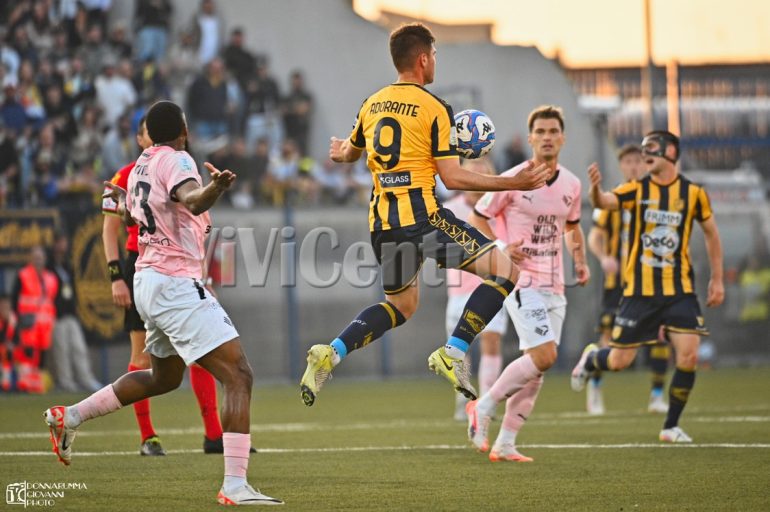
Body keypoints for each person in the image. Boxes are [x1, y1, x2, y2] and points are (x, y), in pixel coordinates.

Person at [299, 23, 549, 407]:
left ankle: (330, 353)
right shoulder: (435, 108)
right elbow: (451, 176)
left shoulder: (372, 102)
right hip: (423, 220)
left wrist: (339, 150)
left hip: (383, 224)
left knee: (401, 305)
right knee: (505, 272)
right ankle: (453, 351)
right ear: (422, 59)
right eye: (434, 55)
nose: (435, 63)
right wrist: (513, 182)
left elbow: (349, 153)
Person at [46, 100, 281, 506]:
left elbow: (136, 212)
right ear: (182, 130)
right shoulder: (177, 159)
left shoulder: (138, 166)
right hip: (173, 282)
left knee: (164, 378)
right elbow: (191, 200)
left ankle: (71, 416)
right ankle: (235, 485)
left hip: (148, 281)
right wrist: (216, 188)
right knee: (239, 374)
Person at [571, 130, 724, 443]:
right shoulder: (637, 189)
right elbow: (605, 201)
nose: (645, 153)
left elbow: (711, 233)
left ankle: (670, 425)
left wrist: (717, 279)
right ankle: (591, 359)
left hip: (679, 291)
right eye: (643, 149)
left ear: (670, 151)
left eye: (651, 148)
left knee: (688, 356)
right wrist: (596, 190)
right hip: (639, 293)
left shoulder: (694, 193)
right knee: (618, 361)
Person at [464, 105, 589, 462]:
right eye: (541, 132)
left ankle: (505, 442)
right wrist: (502, 248)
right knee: (544, 356)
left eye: (554, 131)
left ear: (562, 138)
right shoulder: (514, 178)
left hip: (556, 284)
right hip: (522, 280)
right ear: (531, 138)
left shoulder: (572, 184)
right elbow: (478, 215)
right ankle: (483, 406)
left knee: (536, 368)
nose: (548, 137)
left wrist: (579, 260)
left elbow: (572, 225)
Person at [102, 115, 229, 456]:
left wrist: (204, 275)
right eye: (143, 130)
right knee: (144, 357)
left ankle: (214, 435)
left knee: (191, 359)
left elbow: (194, 226)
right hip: (144, 265)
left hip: (167, 272)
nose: (148, 136)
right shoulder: (126, 174)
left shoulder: (169, 168)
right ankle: (148, 437)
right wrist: (116, 276)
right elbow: (110, 228)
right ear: (140, 137)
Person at [586, 144, 670, 415]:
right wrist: (603, 258)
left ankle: (657, 396)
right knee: (609, 339)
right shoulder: (611, 199)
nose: (634, 166)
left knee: (659, 335)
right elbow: (594, 238)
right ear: (622, 166)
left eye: (638, 161)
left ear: (646, 165)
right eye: (629, 162)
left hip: (649, 281)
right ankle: (595, 387)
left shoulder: (657, 201)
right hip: (617, 284)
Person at [443, 158, 507, 421]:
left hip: (492, 286)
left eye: (483, 178)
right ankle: (463, 402)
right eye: (472, 177)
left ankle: (488, 402)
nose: (477, 185)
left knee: (491, 341)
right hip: (459, 291)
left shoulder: (500, 210)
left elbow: (506, 240)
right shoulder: (448, 209)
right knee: (459, 352)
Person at [48, 233, 102, 393]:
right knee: (61, 350)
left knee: (79, 347)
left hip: (70, 314)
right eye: (61, 242)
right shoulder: (49, 267)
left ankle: (86, 379)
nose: (64, 246)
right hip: (56, 315)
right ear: (55, 244)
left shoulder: (67, 265)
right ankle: (66, 381)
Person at [12, 246, 58, 393]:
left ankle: (38, 386)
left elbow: (52, 300)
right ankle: (26, 386)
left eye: (41, 257)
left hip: (45, 325)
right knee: (28, 355)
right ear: (30, 259)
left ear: (45, 259)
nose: (38, 260)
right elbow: (15, 299)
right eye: (35, 257)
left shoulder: (51, 278)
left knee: (42, 357)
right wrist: (17, 320)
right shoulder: (23, 275)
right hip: (28, 322)